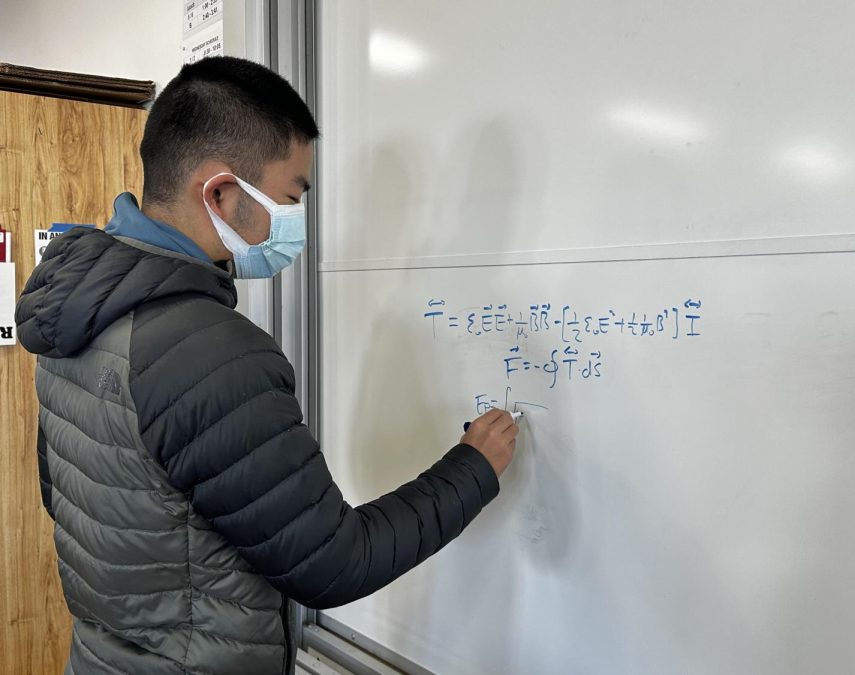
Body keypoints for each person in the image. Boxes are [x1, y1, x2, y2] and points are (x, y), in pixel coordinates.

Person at [15, 56, 518, 675]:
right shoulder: (209, 351)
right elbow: (335, 563)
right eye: (290, 198)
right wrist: (474, 469)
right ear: (221, 193)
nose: (297, 223)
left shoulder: (74, 314)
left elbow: (74, 500)